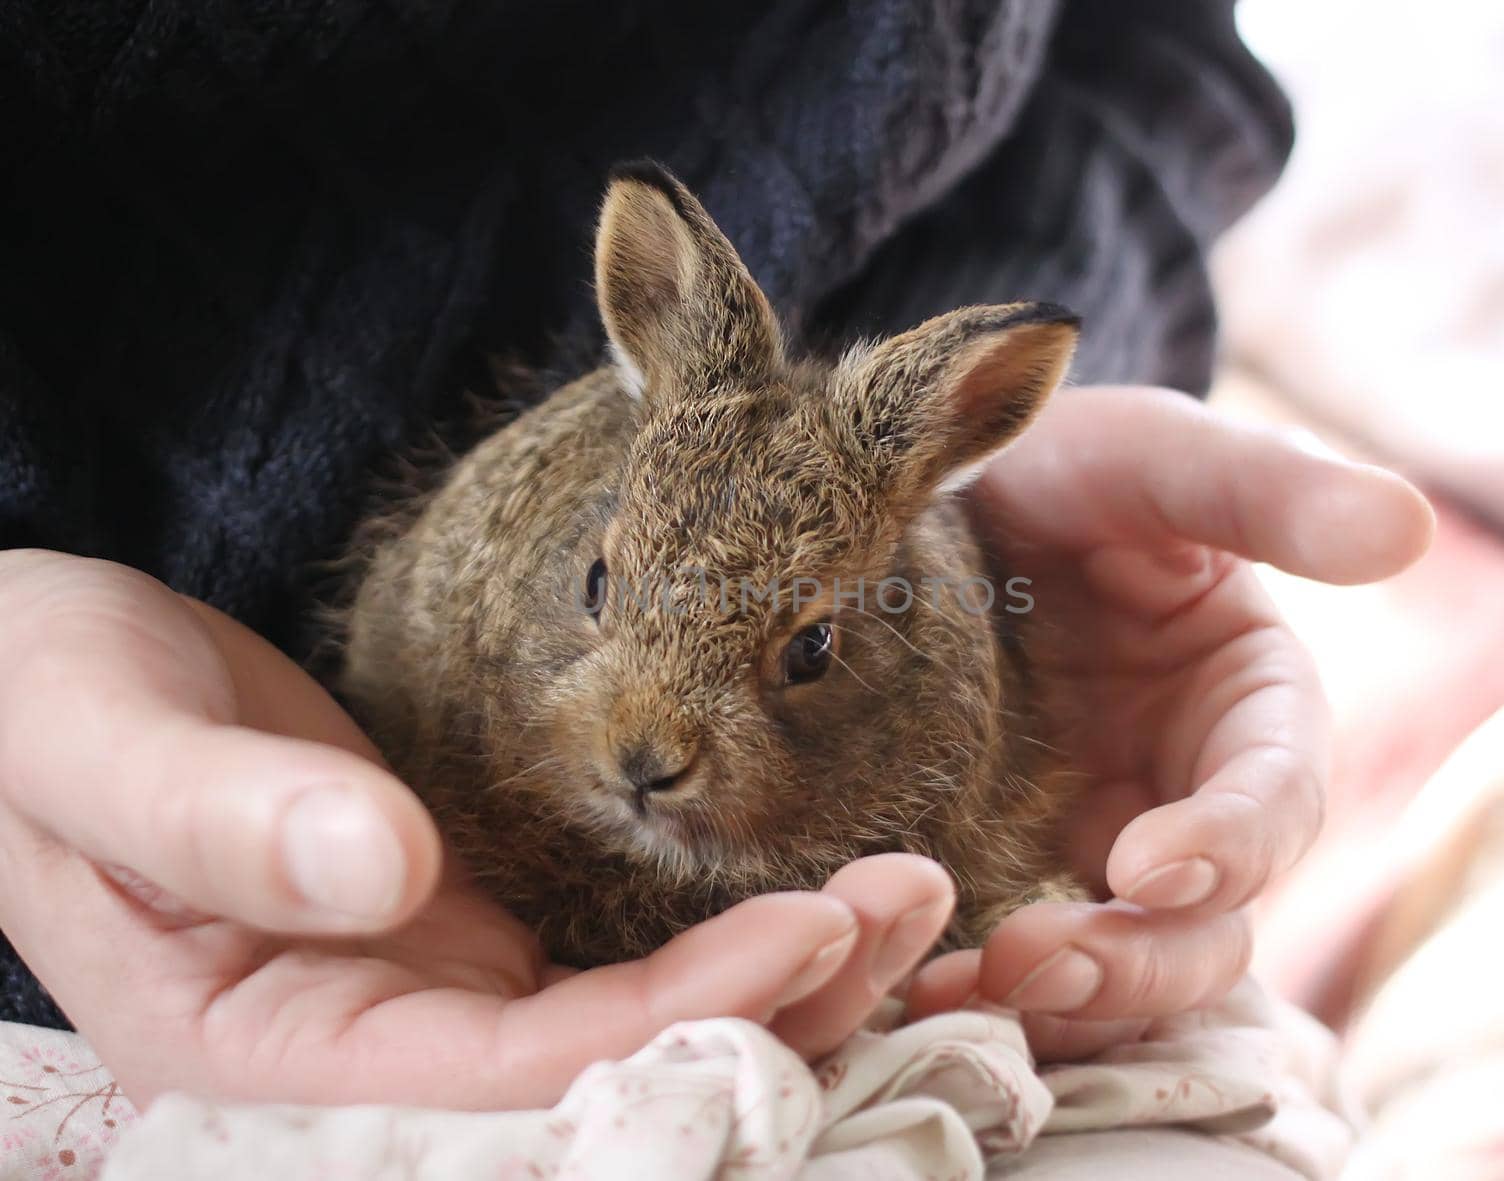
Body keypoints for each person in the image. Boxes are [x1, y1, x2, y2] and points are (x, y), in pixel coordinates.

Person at [0, 0, 1431, 1110]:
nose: (651, 741)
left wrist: (978, 424)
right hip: (164, 863)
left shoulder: (928, 675)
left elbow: (1137, 56)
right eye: (611, 596)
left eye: (803, 649)